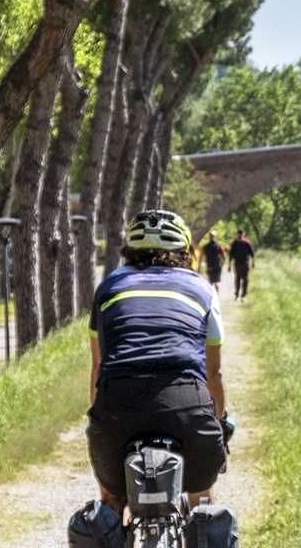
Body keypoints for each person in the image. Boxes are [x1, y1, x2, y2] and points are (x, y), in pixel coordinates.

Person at [84, 210, 233, 518]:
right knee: (202, 499)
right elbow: (213, 373)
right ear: (187, 253)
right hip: (186, 405)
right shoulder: (201, 288)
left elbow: (98, 367)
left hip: (117, 403)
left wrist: (100, 421)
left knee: (111, 500)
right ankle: (201, 518)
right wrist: (218, 423)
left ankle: (111, 518)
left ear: (128, 252)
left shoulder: (109, 287)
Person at [227, 229, 255, 301]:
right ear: (243, 234)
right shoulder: (247, 242)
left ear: (237, 234)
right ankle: (243, 295)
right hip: (244, 263)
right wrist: (253, 262)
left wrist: (229, 265)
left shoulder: (234, 242)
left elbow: (231, 255)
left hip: (237, 263)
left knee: (237, 279)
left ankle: (237, 295)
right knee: (244, 279)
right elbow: (252, 253)